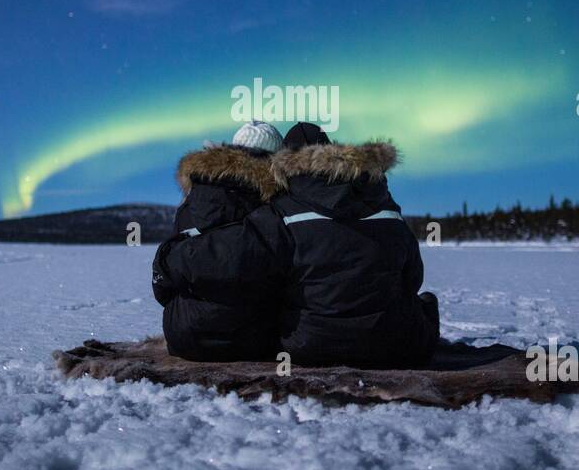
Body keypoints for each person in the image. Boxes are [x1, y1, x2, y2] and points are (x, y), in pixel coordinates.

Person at [154, 122, 439, 368]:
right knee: (424, 303)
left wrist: (165, 265)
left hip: (310, 344)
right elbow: (412, 277)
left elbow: (229, 257)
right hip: (400, 344)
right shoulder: (386, 206)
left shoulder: (284, 212)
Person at [154, 121, 285, 362]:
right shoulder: (277, 205)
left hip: (184, 335)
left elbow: (165, 279)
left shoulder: (191, 202)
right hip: (257, 339)